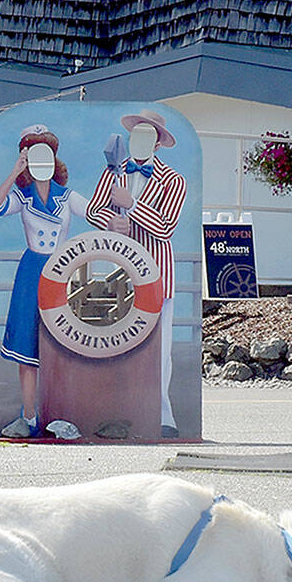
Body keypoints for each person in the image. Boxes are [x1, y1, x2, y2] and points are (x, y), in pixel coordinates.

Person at [85, 109, 187, 438]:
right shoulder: (113, 173)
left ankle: (162, 416)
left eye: (148, 136)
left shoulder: (174, 180)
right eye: (136, 135)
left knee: (159, 348)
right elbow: (92, 210)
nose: (139, 141)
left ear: (158, 144)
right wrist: (111, 222)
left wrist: (130, 205)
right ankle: (120, 414)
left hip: (158, 276)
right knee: (119, 345)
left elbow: (166, 226)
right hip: (121, 276)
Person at [0, 124, 88, 438]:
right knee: (27, 346)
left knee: (61, 346)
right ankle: (28, 416)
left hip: (61, 272)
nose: (39, 159)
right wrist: (13, 172)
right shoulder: (23, 196)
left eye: (44, 152)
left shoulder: (67, 196)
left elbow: (97, 213)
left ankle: (59, 416)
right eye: (31, 154)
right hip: (32, 271)